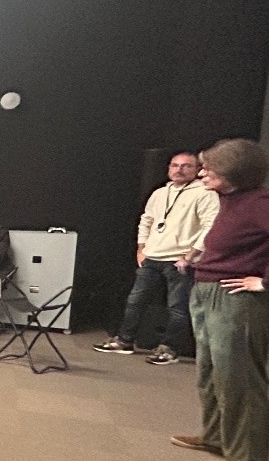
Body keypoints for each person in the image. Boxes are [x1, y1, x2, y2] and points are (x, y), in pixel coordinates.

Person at [169, 140, 269, 461]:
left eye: (210, 168)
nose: (202, 172)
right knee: (211, 374)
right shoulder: (232, 200)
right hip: (210, 294)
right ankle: (217, 438)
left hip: (238, 303)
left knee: (239, 380)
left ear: (235, 174)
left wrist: (265, 280)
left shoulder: (261, 202)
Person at [94, 153, 220, 364]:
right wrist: (141, 248)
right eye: (174, 165)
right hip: (152, 255)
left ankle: (168, 349)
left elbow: (212, 226)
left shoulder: (205, 193)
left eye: (186, 166)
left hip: (180, 260)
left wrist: (191, 255)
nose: (179, 170)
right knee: (135, 301)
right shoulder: (160, 192)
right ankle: (124, 341)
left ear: (197, 169)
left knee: (177, 308)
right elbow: (147, 220)